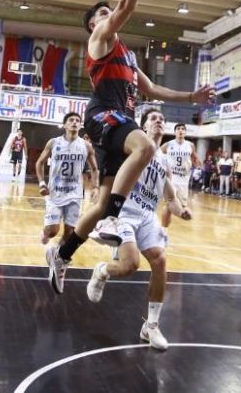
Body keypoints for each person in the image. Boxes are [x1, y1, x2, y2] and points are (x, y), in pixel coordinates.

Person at [46, 0, 214, 294]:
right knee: (147, 147)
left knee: (103, 201)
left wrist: (191, 96)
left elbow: (151, 90)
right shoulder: (100, 40)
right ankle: (111, 219)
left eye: (108, 12)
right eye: (102, 13)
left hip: (118, 122)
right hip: (103, 114)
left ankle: (62, 253)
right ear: (93, 25)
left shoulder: (128, 55)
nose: (108, 14)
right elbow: (127, 5)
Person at [85, 109, 191, 350]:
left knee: (160, 260)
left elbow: (170, 198)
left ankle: (151, 326)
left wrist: (181, 211)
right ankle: (102, 270)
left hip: (147, 215)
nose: (159, 121)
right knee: (130, 265)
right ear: (143, 127)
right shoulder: (133, 148)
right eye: (153, 118)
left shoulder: (164, 161)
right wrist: (99, 189)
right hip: (124, 210)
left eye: (162, 119)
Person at [36, 113, 99, 245]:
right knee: (52, 231)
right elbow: (40, 162)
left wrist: (95, 187)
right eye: (71, 120)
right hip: (55, 192)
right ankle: (46, 233)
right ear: (65, 125)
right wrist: (42, 183)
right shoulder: (53, 143)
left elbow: (94, 168)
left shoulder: (86, 146)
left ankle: (57, 254)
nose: (74, 122)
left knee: (70, 232)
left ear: (80, 125)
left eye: (77, 120)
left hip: (75, 193)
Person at [160, 122, 200, 228]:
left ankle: (165, 228)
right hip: (171, 179)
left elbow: (195, 158)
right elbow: (157, 155)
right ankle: (163, 229)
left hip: (184, 180)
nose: (180, 130)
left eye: (183, 129)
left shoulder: (190, 145)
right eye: (178, 129)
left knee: (179, 206)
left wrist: (196, 165)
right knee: (170, 204)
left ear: (185, 132)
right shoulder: (168, 145)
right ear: (175, 132)